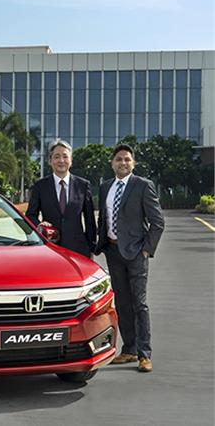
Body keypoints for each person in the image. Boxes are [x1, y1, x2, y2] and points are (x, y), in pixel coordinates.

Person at [95, 144, 164, 373]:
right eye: (118, 159)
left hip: (136, 254)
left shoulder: (143, 186)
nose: (122, 163)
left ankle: (145, 354)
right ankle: (129, 349)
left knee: (139, 304)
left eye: (127, 159)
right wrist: (103, 243)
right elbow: (104, 218)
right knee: (122, 303)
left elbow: (157, 222)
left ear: (133, 163)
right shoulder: (106, 187)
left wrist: (146, 250)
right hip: (113, 253)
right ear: (112, 163)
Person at [26, 139, 96, 257]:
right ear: (50, 161)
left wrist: (91, 247)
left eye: (65, 156)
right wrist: (40, 226)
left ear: (71, 160)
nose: (61, 160)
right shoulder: (40, 186)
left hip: (78, 249)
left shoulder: (83, 185)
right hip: (50, 248)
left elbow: (90, 220)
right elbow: (30, 215)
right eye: (56, 157)